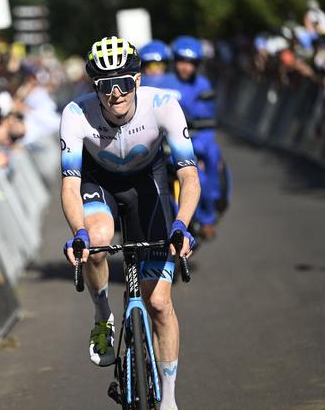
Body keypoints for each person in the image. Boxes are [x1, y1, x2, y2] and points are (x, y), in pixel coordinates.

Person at [60, 36, 200, 410]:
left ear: (137, 80)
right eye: (107, 85)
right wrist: (80, 234)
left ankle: (169, 399)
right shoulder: (76, 114)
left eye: (124, 82)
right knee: (98, 243)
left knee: (158, 304)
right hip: (98, 182)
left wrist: (182, 225)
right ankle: (103, 314)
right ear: (96, 87)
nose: (116, 93)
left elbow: (188, 176)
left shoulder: (163, 105)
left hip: (148, 183)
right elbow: (70, 186)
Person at [162, 36, 222, 239]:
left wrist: (199, 152)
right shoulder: (163, 82)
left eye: (191, 63)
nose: (185, 67)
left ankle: (207, 217)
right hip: (165, 142)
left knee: (209, 163)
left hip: (193, 140)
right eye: (181, 61)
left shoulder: (203, 85)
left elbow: (207, 122)